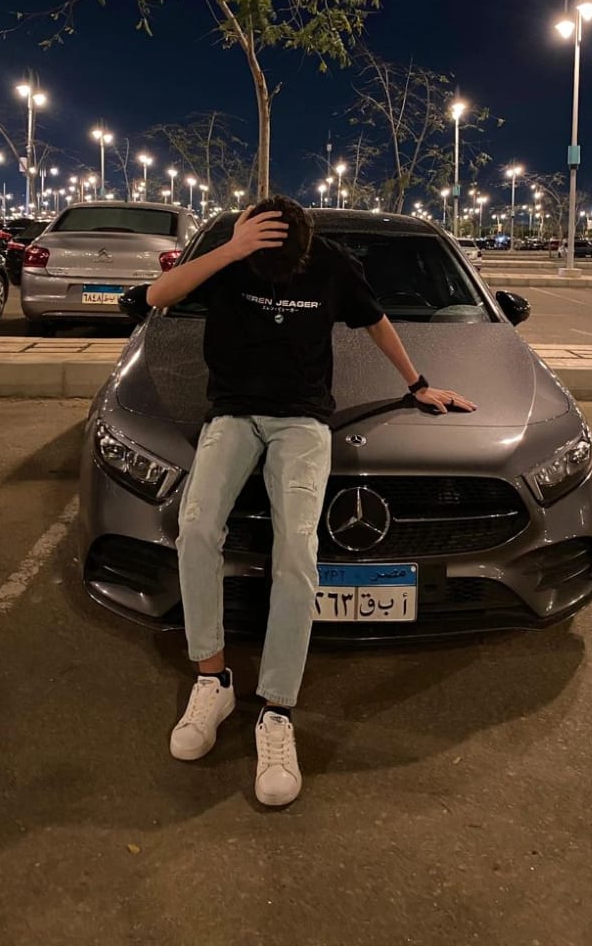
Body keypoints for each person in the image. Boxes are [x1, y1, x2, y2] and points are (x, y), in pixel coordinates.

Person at [146, 196, 476, 807]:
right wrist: (232, 249)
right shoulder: (229, 257)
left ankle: (276, 709)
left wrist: (419, 385)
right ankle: (213, 680)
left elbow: (376, 320)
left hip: (302, 421)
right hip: (233, 415)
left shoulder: (330, 262)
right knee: (196, 529)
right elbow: (158, 295)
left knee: (297, 549)